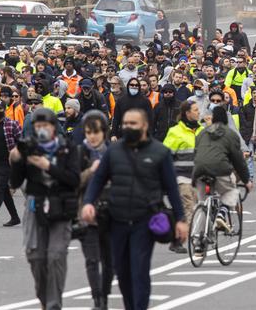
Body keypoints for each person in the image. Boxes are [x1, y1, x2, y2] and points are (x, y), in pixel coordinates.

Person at [81, 109, 188, 310]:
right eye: (125, 123)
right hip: (117, 220)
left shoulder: (160, 152)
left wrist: (181, 219)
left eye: (133, 123)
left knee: (139, 270)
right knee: (122, 272)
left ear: (145, 126)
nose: (128, 127)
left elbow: (173, 189)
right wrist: (88, 202)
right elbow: (98, 179)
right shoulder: (114, 151)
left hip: (144, 221)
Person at [10, 108, 81, 310]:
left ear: (53, 127)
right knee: (36, 257)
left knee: (56, 255)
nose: (41, 130)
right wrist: (16, 160)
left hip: (61, 207)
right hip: (35, 207)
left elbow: (74, 179)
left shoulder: (67, 148)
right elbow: (15, 181)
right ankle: (44, 299)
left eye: (45, 126)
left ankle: (53, 304)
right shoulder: (29, 148)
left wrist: (47, 165)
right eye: (37, 127)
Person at [192, 106, 253, 235]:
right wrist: (247, 179)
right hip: (220, 170)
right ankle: (221, 214)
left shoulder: (202, 132)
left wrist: (193, 178)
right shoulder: (230, 134)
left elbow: (196, 154)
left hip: (199, 171)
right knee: (231, 191)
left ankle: (197, 240)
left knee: (203, 205)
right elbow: (238, 160)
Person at [76, 110, 114, 310]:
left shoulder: (114, 152)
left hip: (111, 213)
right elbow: (72, 182)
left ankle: (105, 295)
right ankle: (97, 300)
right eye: (89, 132)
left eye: (96, 132)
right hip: (87, 213)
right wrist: (90, 171)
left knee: (109, 262)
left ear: (104, 132)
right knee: (92, 260)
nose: (92, 136)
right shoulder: (80, 153)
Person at [162, 100, 204, 253]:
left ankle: (180, 239)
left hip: (199, 178)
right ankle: (192, 240)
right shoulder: (175, 132)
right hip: (182, 177)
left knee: (202, 208)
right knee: (188, 208)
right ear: (187, 113)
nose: (198, 112)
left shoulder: (202, 131)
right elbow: (166, 156)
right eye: (195, 110)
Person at [0, 100, 22, 227]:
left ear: (4, 110)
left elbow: (22, 142)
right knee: (5, 191)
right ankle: (15, 217)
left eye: (0, 108)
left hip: (7, 163)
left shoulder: (12, 124)